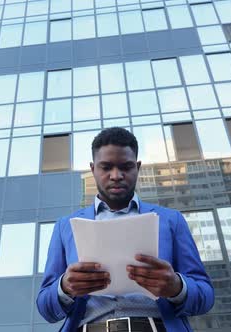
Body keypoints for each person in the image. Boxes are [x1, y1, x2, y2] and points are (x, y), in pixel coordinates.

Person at [37, 127, 214, 332]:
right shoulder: (65, 226)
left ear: (137, 167)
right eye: (106, 167)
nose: (116, 175)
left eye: (126, 167)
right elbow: (45, 307)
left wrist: (177, 287)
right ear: (93, 169)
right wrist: (65, 287)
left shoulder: (171, 220)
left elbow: (205, 295)